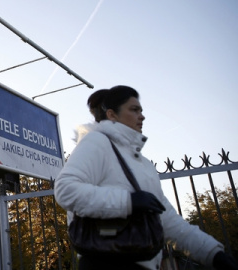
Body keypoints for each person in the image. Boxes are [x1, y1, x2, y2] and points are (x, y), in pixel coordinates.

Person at [54, 86, 238, 270]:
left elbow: (168, 220)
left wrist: (213, 254)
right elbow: (65, 190)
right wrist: (128, 202)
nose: (142, 116)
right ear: (111, 114)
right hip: (104, 261)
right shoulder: (97, 142)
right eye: (134, 110)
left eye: (141, 110)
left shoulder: (144, 164)